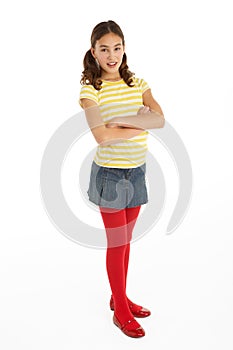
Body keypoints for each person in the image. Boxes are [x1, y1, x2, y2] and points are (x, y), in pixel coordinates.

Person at [79, 20, 165, 338]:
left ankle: (120, 298)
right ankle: (122, 313)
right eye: (104, 49)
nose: (112, 55)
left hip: (137, 171)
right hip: (111, 176)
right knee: (117, 244)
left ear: (124, 48)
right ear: (94, 52)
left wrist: (121, 120)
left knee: (126, 243)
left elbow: (160, 119)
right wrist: (140, 122)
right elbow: (101, 136)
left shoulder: (138, 82)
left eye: (117, 48)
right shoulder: (90, 90)